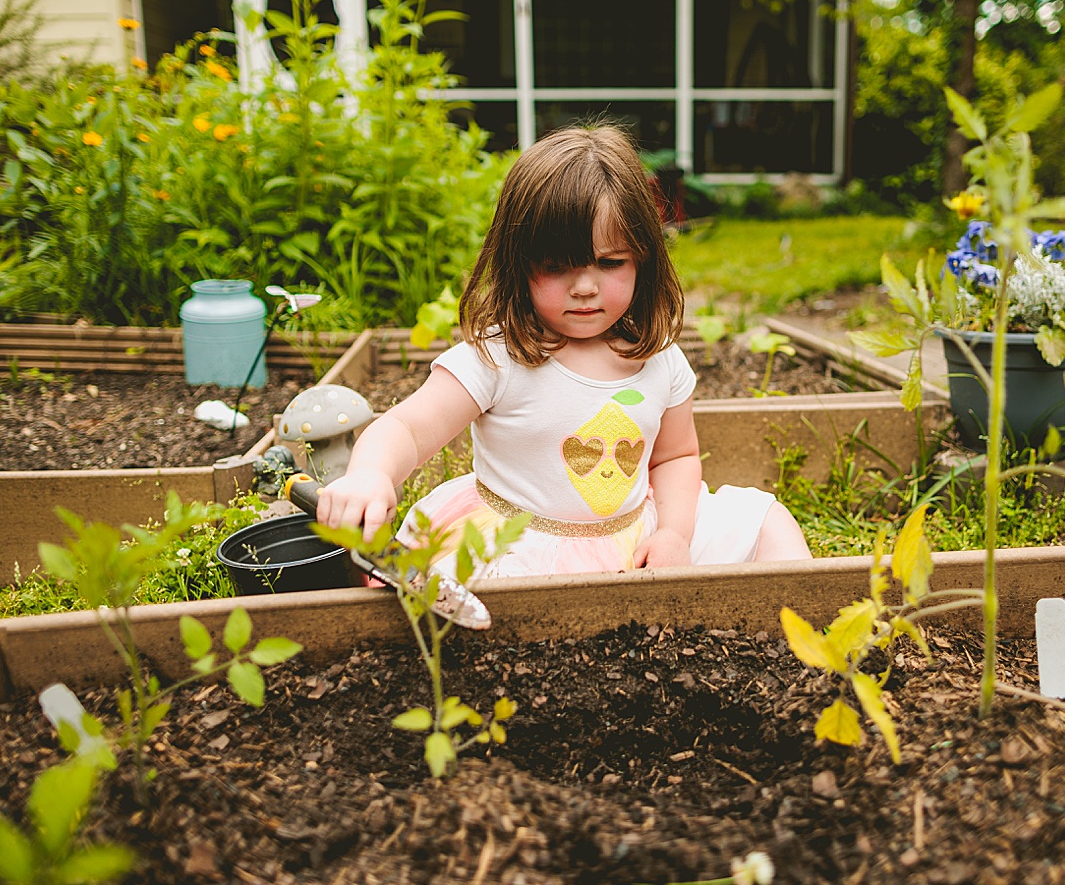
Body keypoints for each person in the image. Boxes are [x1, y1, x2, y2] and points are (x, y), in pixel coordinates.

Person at [314, 125, 811, 577]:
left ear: (644, 258)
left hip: (636, 531)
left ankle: (804, 637)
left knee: (767, 520)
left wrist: (674, 535)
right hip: (521, 546)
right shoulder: (499, 356)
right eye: (557, 267)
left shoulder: (657, 358)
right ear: (517, 264)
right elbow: (406, 427)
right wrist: (371, 474)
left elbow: (675, 457)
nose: (585, 287)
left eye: (609, 262)